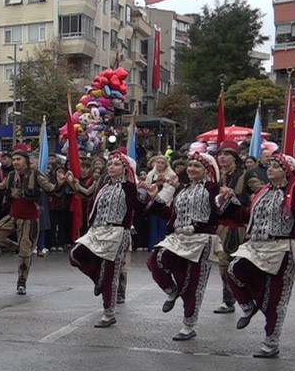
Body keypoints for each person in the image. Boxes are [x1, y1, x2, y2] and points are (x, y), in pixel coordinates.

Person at [220, 153, 295, 358]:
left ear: (286, 171)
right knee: (234, 269)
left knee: (275, 300)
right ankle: (248, 306)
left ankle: (271, 342)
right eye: (269, 166)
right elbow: (247, 216)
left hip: (282, 249)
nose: (270, 169)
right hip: (256, 245)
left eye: (276, 166)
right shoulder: (263, 192)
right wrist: (231, 200)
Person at [143, 151, 222, 342]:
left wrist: (225, 198)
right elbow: (172, 216)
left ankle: (188, 325)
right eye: (190, 165)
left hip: (201, 240)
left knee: (193, 284)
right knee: (156, 260)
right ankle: (171, 290)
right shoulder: (184, 190)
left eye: (197, 166)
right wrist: (156, 200)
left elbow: (219, 212)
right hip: (178, 238)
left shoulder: (213, 189)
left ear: (207, 170)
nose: (192, 169)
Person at [66, 151, 142, 328]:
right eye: (110, 164)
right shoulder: (103, 184)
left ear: (125, 168)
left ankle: (109, 313)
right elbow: (88, 197)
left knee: (111, 273)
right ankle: (98, 280)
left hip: (116, 232)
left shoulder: (130, 187)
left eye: (116, 164)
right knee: (75, 254)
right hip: (97, 230)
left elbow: (138, 206)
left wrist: (146, 191)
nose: (111, 167)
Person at [0, 144, 57, 295]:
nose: (15, 162)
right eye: (14, 159)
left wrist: (60, 182)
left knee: (25, 254)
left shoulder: (36, 174)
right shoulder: (10, 176)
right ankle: (17, 247)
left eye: (18, 159)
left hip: (29, 219)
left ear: (26, 161)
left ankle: (22, 282)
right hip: (13, 216)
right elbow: (0, 187)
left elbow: (50, 188)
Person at [212, 139, 263, 314]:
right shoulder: (217, 176)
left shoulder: (246, 175)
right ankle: (230, 300)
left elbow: (262, 191)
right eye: (220, 154)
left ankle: (243, 298)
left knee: (234, 265)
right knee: (224, 265)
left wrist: (238, 198)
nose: (222, 158)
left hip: (238, 227)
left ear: (235, 157)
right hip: (220, 228)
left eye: (226, 154)